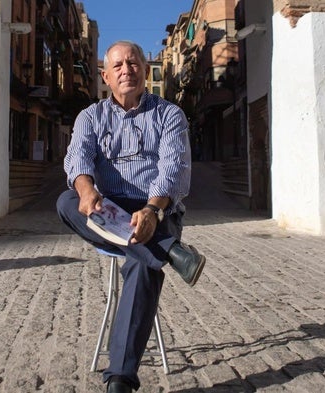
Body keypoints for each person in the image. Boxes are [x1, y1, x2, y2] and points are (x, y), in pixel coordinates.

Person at [56, 40, 206, 393]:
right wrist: (86, 188)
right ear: (106, 76)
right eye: (118, 65)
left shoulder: (169, 114)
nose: (127, 70)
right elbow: (77, 158)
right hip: (106, 209)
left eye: (133, 63)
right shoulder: (90, 116)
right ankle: (170, 251)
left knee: (141, 264)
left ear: (144, 69)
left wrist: (152, 211)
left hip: (157, 207)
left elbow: (174, 169)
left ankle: (120, 381)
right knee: (65, 201)